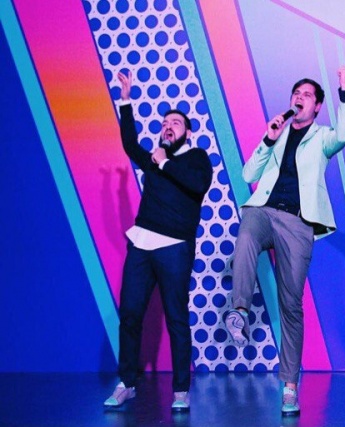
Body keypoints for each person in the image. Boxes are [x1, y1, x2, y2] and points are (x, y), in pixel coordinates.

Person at [223, 66, 345, 416]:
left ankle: (290, 386)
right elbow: (248, 174)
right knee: (246, 231)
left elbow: (344, 134)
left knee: (291, 304)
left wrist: (344, 89)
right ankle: (239, 309)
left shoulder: (323, 136)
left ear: (317, 106)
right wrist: (268, 139)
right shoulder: (278, 134)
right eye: (296, 93)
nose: (300, 98)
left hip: (297, 222)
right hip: (265, 210)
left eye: (307, 95)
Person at [104, 72, 213, 411]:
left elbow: (197, 186)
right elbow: (129, 144)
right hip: (141, 243)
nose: (168, 127)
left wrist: (165, 163)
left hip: (175, 247)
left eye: (175, 123)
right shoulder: (154, 160)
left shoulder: (196, 159)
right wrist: (126, 99)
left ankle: (181, 390)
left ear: (188, 132)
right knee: (130, 313)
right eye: (164, 123)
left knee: (176, 318)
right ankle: (127, 382)